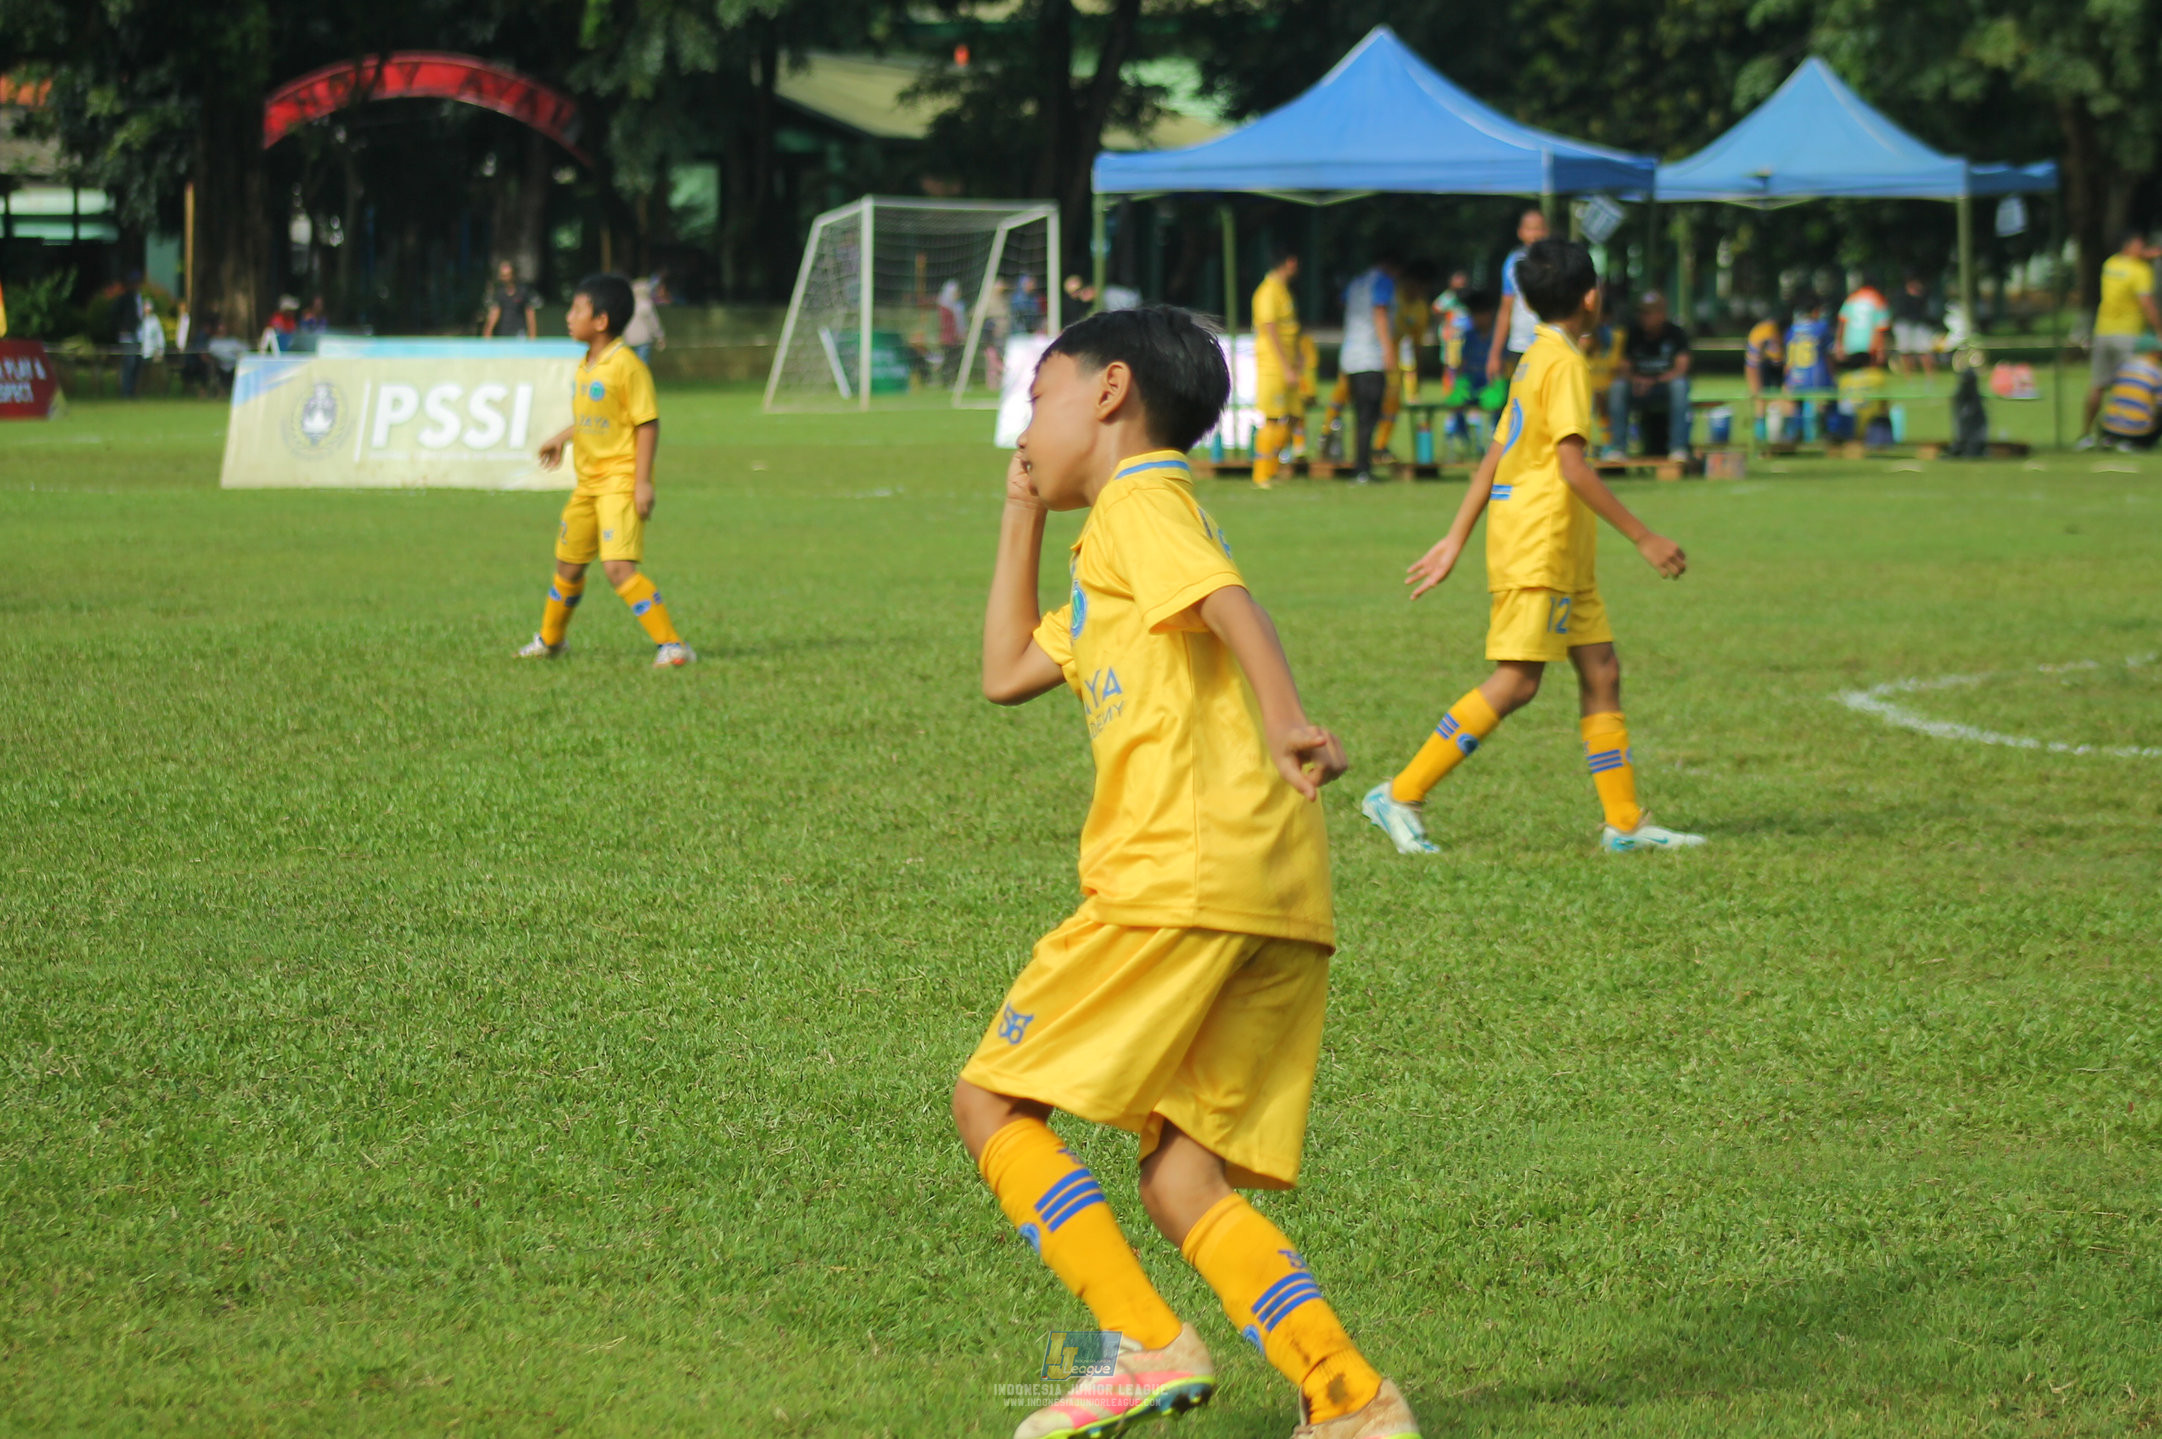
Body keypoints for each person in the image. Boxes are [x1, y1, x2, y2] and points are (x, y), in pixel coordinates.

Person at [963, 304, 1420, 1439]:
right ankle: (1348, 1396)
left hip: (1177, 873)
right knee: (1178, 1180)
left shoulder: (1139, 503)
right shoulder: (1112, 543)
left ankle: (1143, 1341)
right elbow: (1009, 669)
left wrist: (1285, 715)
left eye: (1039, 398)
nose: (1027, 423)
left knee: (990, 1098)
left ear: (1109, 391)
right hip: (1272, 893)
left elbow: (1228, 600)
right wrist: (1019, 509)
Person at [1361, 239, 1703, 856]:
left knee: (1602, 671)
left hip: (1561, 546)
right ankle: (1401, 793)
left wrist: (1455, 538)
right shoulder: (1565, 364)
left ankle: (1623, 822)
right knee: (1518, 682)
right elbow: (1572, 468)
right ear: (1592, 297)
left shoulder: (1536, 355)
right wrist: (1644, 536)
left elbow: (1496, 454)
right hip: (1540, 542)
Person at [518, 273, 695, 668]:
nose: (568, 316)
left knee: (617, 568)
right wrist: (562, 437)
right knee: (568, 564)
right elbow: (595, 417)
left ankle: (672, 645)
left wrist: (642, 482)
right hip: (587, 484)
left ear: (600, 321)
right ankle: (551, 641)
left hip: (618, 481)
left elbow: (646, 422)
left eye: (577, 309)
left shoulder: (627, 366)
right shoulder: (587, 366)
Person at [2079, 231, 2161, 446]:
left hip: (2103, 333)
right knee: (2129, 384)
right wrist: (2159, 329)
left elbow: (2131, 262)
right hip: (2128, 335)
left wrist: (2148, 254)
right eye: (2140, 244)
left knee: (2098, 385)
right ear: (2130, 246)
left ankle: (2087, 435)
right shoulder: (2140, 270)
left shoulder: (2111, 264)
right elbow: (2146, 303)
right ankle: (2122, 434)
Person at [1604, 292, 1692, 461]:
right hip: (1637, 387)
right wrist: (1636, 379)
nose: (1644, 318)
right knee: (1617, 387)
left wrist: (1654, 381)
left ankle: (1678, 448)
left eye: (1649, 313)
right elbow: (1624, 366)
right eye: (1642, 313)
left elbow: (1682, 368)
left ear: (1662, 314)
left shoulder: (1676, 334)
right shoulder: (1632, 333)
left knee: (1680, 386)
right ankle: (1618, 448)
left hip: (1664, 387)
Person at [1338, 256, 1397, 482]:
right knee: (1368, 416)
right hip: (1371, 357)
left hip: (1351, 356)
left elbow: (1343, 303)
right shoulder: (1383, 281)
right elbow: (1379, 312)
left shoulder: (1356, 282)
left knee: (1361, 415)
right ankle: (1362, 468)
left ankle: (1361, 465)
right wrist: (1388, 349)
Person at [1250, 245, 1302, 488]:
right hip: (1273, 366)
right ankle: (1261, 474)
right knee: (1272, 418)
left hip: (1288, 365)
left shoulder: (1283, 291)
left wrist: (1297, 359)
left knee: (1294, 416)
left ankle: (1273, 466)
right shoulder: (1267, 291)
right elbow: (1270, 330)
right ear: (1290, 262)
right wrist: (1285, 366)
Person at [1486, 207, 1550, 384]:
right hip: (1519, 344)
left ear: (1547, 231)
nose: (1534, 234)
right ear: (1520, 232)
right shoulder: (1513, 262)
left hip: (1549, 343)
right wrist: (1495, 353)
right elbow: (1505, 309)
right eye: (1530, 229)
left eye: (1539, 228)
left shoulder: (1555, 262)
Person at [2098, 350, 2162, 450]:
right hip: (2138, 434)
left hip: (2108, 429)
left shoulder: (2125, 366)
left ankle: (2110, 439)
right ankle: (2136, 442)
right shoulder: (2157, 371)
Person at [1836, 275, 1891, 369]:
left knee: (1854, 372)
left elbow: (1842, 321)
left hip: (1851, 342)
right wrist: (1881, 350)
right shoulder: (1878, 299)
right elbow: (1881, 326)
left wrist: (1839, 343)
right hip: (1870, 343)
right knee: (1869, 373)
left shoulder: (1852, 298)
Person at [483, 260, 541, 340]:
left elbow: (530, 314)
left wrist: (532, 336)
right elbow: (495, 312)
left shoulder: (523, 291)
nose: (504, 278)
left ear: (513, 275)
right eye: (502, 275)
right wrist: (487, 332)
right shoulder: (499, 292)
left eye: (507, 275)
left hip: (519, 333)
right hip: (503, 333)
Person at [1891, 274, 1936, 375]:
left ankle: (1930, 374)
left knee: (1924, 350)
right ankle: (1909, 374)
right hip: (1904, 324)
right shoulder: (1901, 296)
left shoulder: (1924, 296)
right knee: (1905, 351)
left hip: (1920, 325)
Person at [622, 277, 666, 366]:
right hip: (644, 340)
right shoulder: (647, 305)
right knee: (642, 366)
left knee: (631, 364)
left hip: (629, 340)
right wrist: (660, 337)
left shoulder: (628, 305)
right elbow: (653, 323)